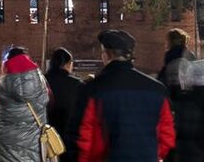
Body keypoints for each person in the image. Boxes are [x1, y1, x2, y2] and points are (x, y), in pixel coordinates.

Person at [75, 30, 175, 162]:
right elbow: (167, 134)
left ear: (107, 54)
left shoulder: (93, 89)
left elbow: (84, 137)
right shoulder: (157, 89)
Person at [0, 46, 47, 162]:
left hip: (6, 144)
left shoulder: (2, 83)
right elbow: (49, 101)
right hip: (34, 142)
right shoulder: (41, 82)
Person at [160, 28, 202, 162]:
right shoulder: (191, 58)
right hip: (196, 113)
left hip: (177, 115)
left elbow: (163, 89)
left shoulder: (169, 62)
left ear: (169, 42)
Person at [45, 47, 82, 162]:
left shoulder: (43, 81)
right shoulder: (76, 84)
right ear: (68, 64)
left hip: (46, 136)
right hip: (70, 137)